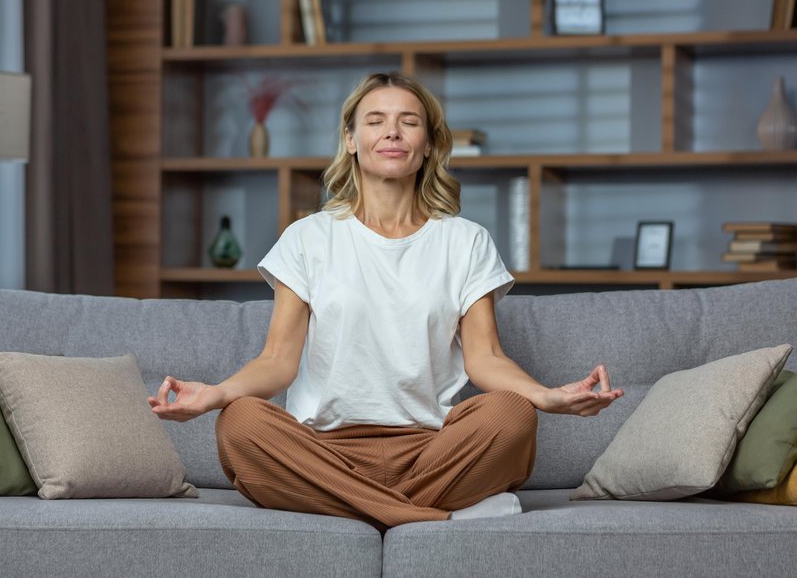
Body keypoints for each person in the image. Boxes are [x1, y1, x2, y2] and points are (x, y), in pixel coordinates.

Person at [148, 72, 624, 531]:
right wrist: (217, 394)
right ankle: (439, 516)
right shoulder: (307, 238)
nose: (391, 132)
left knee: (512, 414)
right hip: (321, 448)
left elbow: (486, 358)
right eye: (375, 120)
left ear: (430, 144)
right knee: (241, 423)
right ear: (351, 140)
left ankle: (346, 504)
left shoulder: (465, 241)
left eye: (409, 121)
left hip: (433, 452)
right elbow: (277, 360)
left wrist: (545, 396)